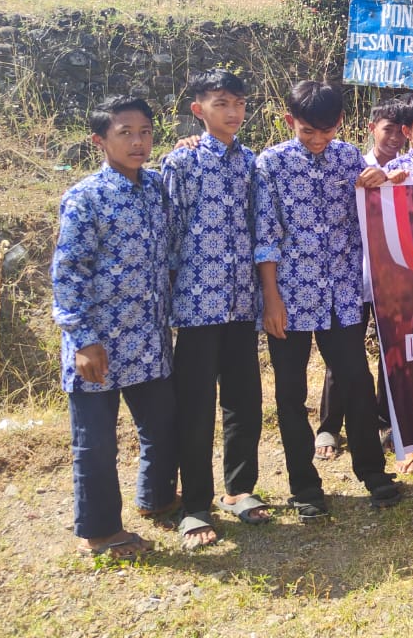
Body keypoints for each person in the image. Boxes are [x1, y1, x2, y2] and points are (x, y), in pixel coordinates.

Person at [254, 81, 402, 519]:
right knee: (290, 392)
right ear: (289, 122)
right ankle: (304, 484)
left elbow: (368, 215)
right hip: (290, 299)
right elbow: (264, 238)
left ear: (340, 124)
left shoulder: (348, 158)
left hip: (341, 296)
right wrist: (271, 299)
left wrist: (381, 182)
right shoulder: (271, 164)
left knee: (355, 381)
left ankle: (372, 473)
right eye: (307, 132)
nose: (318, 141)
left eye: (327, 131)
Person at [51, 96, 176, 560]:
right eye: (125, 133)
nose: (138, 141)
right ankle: (100, 532)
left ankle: (157, 499)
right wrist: (83, 340)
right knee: (96, 443)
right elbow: (68, 272)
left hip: (148, 338)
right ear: (99, 140)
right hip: (100, 342)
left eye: (144, 131)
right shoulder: (85, 198)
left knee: (162, 427)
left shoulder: (158, 187)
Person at [161, 69, 268, 549]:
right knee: (196, 406)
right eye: (222, 102)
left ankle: (239, 489)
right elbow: (168, 233)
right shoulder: (180, 163)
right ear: (198, 109)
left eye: (240, 103)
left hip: (242, 302)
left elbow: (262, 228)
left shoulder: (252, 164)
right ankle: (196, 504)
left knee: (244, 400)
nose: (233, 112)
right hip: (197, 305)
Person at [316, 98, 407, 464]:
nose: (395, 139)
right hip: (353, 277)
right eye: (388, 130)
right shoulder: (353, 166)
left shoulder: (411, 170)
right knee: (344, 354)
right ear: (372, 129)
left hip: (396, 280)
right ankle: (328, 425)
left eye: (402, 132)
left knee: (393, 355)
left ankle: (386, 423)